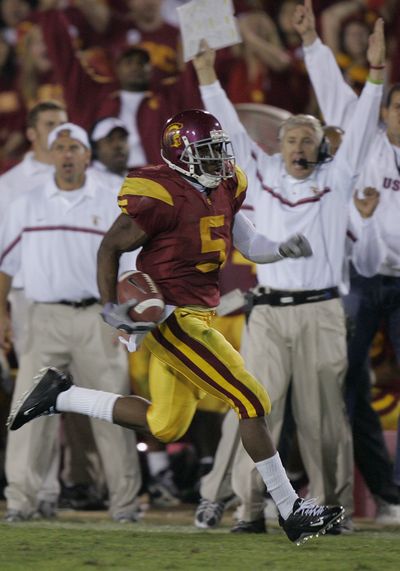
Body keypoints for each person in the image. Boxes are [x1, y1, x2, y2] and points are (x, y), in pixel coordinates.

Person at [6, 109, 345, 545]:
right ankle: (291, 509)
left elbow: (249, 241)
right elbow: (109, 247)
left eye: (219, 150)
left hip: (201, 313)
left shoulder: (224, 184)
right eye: (205, 152)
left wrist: (281, 249)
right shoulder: (159, 194)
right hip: (171, 318)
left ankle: (61, 395)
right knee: (252, 399)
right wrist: (111, 308)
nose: (217, 159)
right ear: (180, 155)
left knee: (166, 425)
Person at [190, 11, 384, 533]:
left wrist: (377, 76)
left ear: (323, 146)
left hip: (321, 308)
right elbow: (228, 128)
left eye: (308, 139)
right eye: (291, 138)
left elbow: (365, 129)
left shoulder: (339, 178)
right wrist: (208, 77)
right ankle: (250, 508)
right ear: (276, 144)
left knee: (324, 419)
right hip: (269, 311)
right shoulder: (260, 172)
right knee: (256, 411)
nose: (299, 146)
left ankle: (333, 509)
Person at [0, 122, 141, 523]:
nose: (65, 154)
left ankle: (126, 505)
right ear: (50, 155)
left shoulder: (113, 198)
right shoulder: (26, 203)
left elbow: (130, 265)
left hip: (98, 318)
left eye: (73, 146)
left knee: (112, 408)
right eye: (58, 147)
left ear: (86, 155)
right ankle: (22, 502)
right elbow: (5, 266)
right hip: (44, 318)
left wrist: (123, 317)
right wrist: (2, 316)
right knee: (28, 412)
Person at [294, 0, 400, 525]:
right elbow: (336, 94)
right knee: (347, 385)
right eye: (397, 106)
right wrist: (313, 42)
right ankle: (380, 496)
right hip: (356, 280)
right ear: (385, 111)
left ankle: (393, 493)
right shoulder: (361, 144)